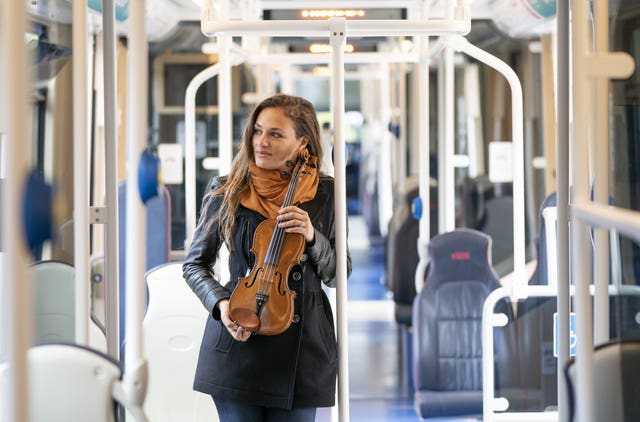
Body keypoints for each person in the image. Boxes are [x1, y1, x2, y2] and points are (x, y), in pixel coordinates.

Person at [183, 93, 352, 421]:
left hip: (302, 353)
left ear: (302, 141)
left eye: (275, 134)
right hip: (239, 340)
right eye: (258, 131)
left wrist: (312, 237)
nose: (261, 142)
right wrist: (222, 305)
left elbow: (337, 274)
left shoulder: (328, 194)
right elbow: (194, 264)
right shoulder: (226, 190)